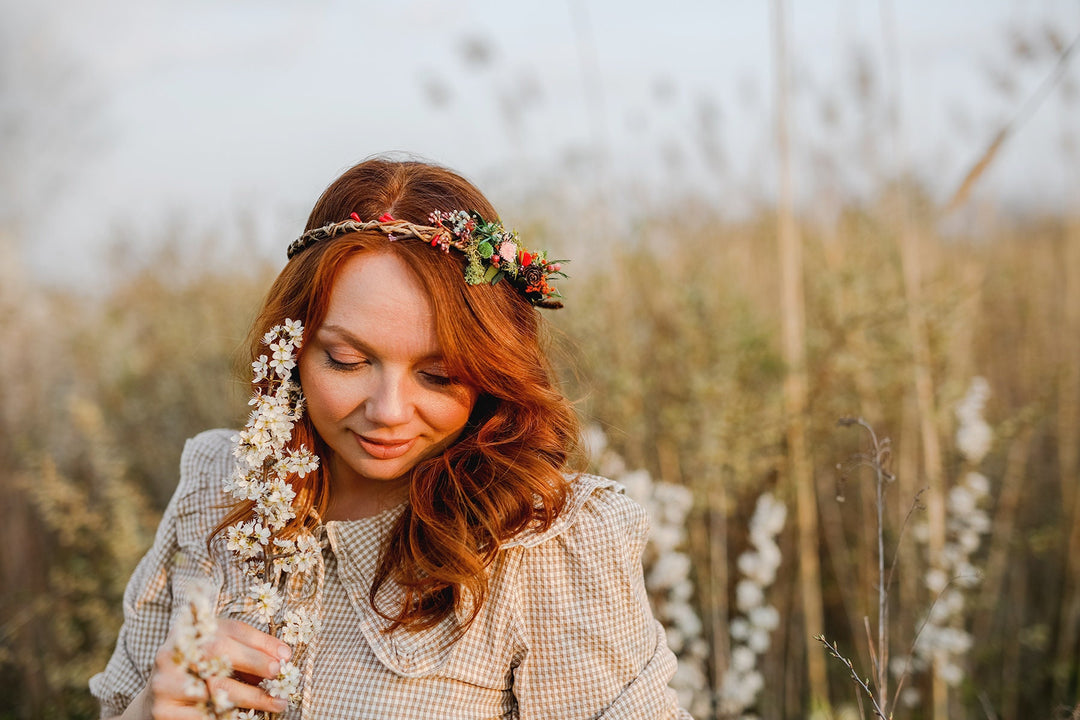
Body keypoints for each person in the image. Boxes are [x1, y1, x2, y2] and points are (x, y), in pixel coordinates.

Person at [90, 157, 693, 719]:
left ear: (491, 372)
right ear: (292, 347)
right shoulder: (219, 485)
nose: (388, 411)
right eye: (348, 360)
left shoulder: (545, 542)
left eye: (438, 375)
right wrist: (149, 708)